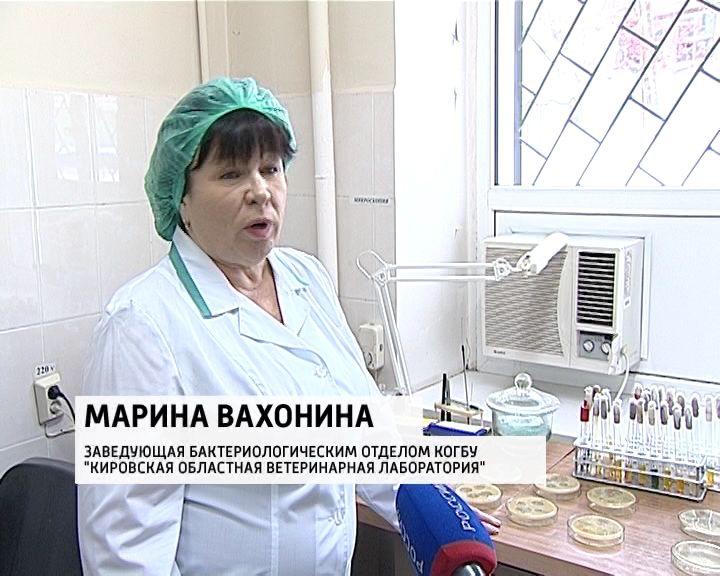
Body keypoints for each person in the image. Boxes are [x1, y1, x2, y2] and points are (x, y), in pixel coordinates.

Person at [78, 76, 499, 575]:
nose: (260, 192)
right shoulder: (141, 327)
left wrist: (431, 507)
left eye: (270, 169)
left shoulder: (305, 277)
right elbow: (126, 554)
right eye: (231, 174)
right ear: (180, 197)